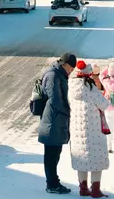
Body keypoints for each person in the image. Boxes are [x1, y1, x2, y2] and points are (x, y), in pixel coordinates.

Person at [69, 61, 111, 198]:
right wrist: (106, 95)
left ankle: (83, 188)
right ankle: (95, 189)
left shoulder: (71, 87)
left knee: (81, 158)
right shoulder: (91, 89)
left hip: (77, 129)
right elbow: (104, 105)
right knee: (96, 158)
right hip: (93, 129)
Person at [39, 52, 75, 195]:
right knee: (51, 155)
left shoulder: (59, 74)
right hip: (52, 120)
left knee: (55, 154)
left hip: (56, 120)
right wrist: (68, 110)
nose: (71, 71)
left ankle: (53, 182)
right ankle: (52, 184)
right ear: (64, 64)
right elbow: (55, 99)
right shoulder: (53, 75)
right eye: (70, 68)